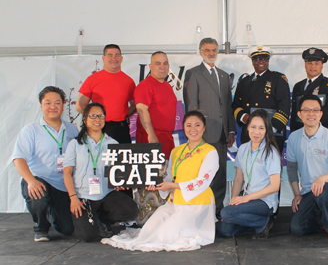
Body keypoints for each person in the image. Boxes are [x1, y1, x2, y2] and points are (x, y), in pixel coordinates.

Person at [101, 110, 219, 251]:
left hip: (198, 203)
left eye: (197, 125)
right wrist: (158, 184)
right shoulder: (177, 151)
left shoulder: (210, 151)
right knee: (148, 230)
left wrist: (171, 185)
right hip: (175, 202)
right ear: (183, 127)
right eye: (188, 125)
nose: (193, 129)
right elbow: (169, 176)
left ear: (204, 128)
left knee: (167, 235)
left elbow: (202, 182)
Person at [63, 103, 139, 242]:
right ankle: (91, 221)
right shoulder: (75, 144)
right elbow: (67, 173)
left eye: (101, 116)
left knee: (130, 210)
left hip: (106, 194)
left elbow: (118, 171)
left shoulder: (113, 144)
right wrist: (73, 197)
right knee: (87, 236)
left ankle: (101, 219)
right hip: (83, 196)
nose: (97, 119)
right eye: (93, 116)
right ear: (85, 119)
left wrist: (120, 181)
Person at [12, 86, 79, 242]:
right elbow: (19, 158)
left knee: (67, 229)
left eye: (57, 102)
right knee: (38, 195)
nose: (52, 107)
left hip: (63, 184)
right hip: (39, 179)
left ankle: (51, 214)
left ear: (63, 105)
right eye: (48, 103)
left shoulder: (72, 130)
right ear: (41, 106)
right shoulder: (31, 130)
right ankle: (41, 227)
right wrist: (31, 181)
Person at [183, 37, 236, 217]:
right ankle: (201, 213)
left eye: (214, 50)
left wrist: (230, 130)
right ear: (200, 52)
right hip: (204, 135)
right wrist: (195, 133)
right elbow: (191, 108)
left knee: (220, 173)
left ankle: (217, 211)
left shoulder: (223, 75)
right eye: (207, 50)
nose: (211, 53)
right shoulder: (193, 74)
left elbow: (228, 105)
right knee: (203, 175)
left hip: (221, 134)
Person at [287, 95, 328, 238]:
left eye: (315, 110)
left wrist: (322, 179)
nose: (311, 114)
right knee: (296, 228)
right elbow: (291, 169)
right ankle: (322, 219)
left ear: (321, 114)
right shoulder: (294, 138)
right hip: (309, 191)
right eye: (306, 110)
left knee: (323, 191)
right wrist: (297, 195)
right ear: (299, 114)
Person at [218, 110, 281, 239]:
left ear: (267, 130)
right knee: (225, 230)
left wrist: (246, 198)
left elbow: (275, 187)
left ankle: (264, 222)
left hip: (264, 202)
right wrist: (233, 202)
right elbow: (238, 179)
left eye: (261, 128)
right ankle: (257, 222)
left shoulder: (271, 152)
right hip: (247, 201)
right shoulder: (243, 148)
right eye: (253, 127)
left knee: (226, 213)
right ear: (247, 128)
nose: (256, 132)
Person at [232, 45, 290, 153]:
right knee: (248, 167)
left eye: (264, 59)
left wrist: (269, 129)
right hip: (249, 134)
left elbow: (284, 106)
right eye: (257, 59)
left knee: (271, 168)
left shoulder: (278, 79)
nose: (261, 62)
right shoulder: (244, 81)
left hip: (272, 135)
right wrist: (244, 117)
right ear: (252, 61)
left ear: (268, 60)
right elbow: (236, 105)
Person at [76, 44, 136, 144]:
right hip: (99, 128)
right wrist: (95, 119)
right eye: (110, 55)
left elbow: (134, 105)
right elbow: (79, 106)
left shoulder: (129, 81)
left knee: (123, 159)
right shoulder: (92, 79)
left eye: (117, 55)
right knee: (99, 159)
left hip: (121, 129)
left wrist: (123, 115)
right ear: (103, 59)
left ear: (121, 58)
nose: (114, 58)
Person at [135, 51, 177, 156]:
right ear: (151, 66)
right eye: (158, 63)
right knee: (153, 171)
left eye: (165, 63)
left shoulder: (167, 86)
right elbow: (142, 110)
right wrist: (151, 134)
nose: (162, 67)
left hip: (167, 138)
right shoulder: (145, 85)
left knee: (166, 171)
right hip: (151, 138)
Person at [290, 47, 328, 132]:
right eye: (309, 63)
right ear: (305, 65)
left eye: (317, 63)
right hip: (300, 130)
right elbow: (295, 111)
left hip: (322, 130)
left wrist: (310, 120)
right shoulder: (298, 86)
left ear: (322, 65)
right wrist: (293, 130)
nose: (313, 66)